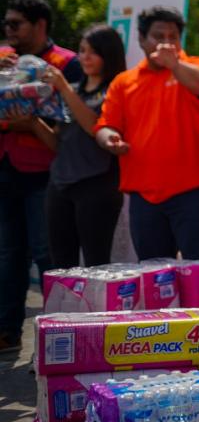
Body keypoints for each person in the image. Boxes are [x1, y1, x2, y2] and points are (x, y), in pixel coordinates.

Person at [92, 6, 199, 261]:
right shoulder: (123, 82)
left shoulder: (196, 66)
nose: (166, 43)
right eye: (158, 36)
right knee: (153, 274)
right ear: (141, 39)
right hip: (145, 194)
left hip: (196, 190)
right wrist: (108, 137)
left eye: (172, 37)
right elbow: (105, 125)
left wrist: (174, 64)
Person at [0, 0, 81, 352]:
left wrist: (31, 124)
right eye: (7, 25)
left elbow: (74, 124)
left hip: (46, 174)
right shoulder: (3, 61)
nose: (9, 31)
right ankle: (6, 331)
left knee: (47, 255)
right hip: (5, 171)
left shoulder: (66, 64)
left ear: (40, 25)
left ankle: (57, 336)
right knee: (6, 254)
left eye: (16, 24)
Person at [36, 25, 127, 269]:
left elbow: (95, 128)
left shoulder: (116, 91)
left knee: (96, 264)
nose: (85, 57)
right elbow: (58, 143)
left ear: (109, 54)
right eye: (82, 50)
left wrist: (64, 87)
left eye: (93, 52)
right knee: (59, 264)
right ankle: (60, 308)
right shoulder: (71, 91)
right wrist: (32, 122)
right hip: (60, 184)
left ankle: (93, 309)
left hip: (96, 185)